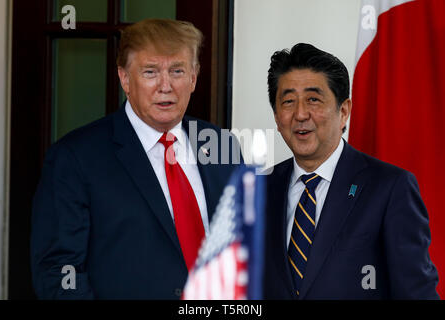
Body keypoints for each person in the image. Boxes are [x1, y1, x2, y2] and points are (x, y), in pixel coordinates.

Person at [30, 18, 241, 299]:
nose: (165, 86)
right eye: (150, 72)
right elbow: (58, 270)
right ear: (125, 78)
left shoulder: (221, 145)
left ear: (194, 77)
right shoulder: (75, 158)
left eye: (177, 71)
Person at [263, 43, 439, 299]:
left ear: (343, 111)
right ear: (278, 118)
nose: (300, 114)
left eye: (313, 99)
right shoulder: (258, 189)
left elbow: (416, 293)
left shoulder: (390, 188)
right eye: (288, 101)